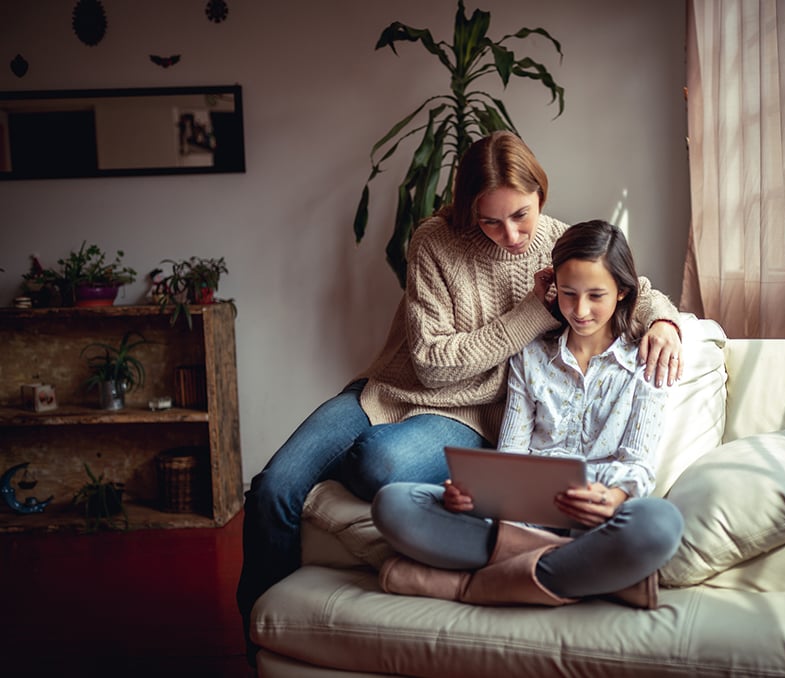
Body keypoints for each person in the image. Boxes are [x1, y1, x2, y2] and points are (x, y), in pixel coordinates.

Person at [237, 133, 684, 652]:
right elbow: (429, 366)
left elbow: (631, 286)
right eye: (490, 220)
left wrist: (666, 325)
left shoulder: (560, 243)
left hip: (469, 415)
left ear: (540, 193)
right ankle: (259, 642)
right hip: (386, 392)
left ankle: (487, 578)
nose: (511, 234)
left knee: (378, 468)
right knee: (274, 486)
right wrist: (534, 313)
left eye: (521, 214)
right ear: (468, 207)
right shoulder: (434, 241)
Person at [371, 220, 684, 609]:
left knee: (659, 524)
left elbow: (638, 463)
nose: (580, 310)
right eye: (568, 294)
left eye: (596, 295)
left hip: (597, 520)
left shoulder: (646, 359)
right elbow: (510, 455)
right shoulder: (532, 355)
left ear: (622, 291)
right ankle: (587, 576)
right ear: (554, 288)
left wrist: (616, 497)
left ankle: (471, 586)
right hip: (521, 517)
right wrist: (478, 495)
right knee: (394, 504)